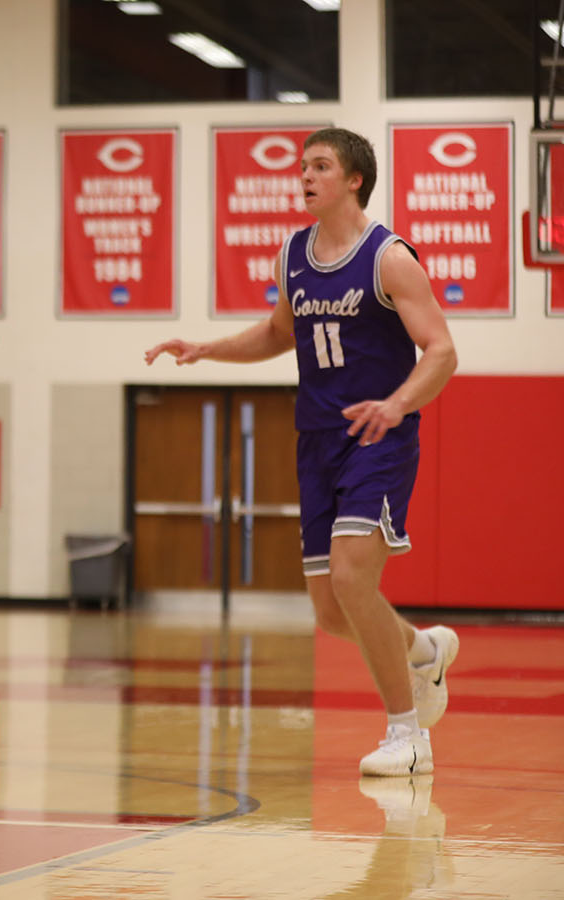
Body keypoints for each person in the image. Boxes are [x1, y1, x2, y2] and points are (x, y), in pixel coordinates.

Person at [144, 127, 459, 777]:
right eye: (303, 166)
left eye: (320, 166)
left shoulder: (389, 258)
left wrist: (396, 404)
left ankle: (408, 737)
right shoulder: (292, 253)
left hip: (378, 436)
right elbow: (277, 332)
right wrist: (205, 349)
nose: (305, 176)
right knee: (331, 610)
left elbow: (442, 351)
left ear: (354, 180)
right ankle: (424, 651)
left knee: (351, 577)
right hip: (315, 439)